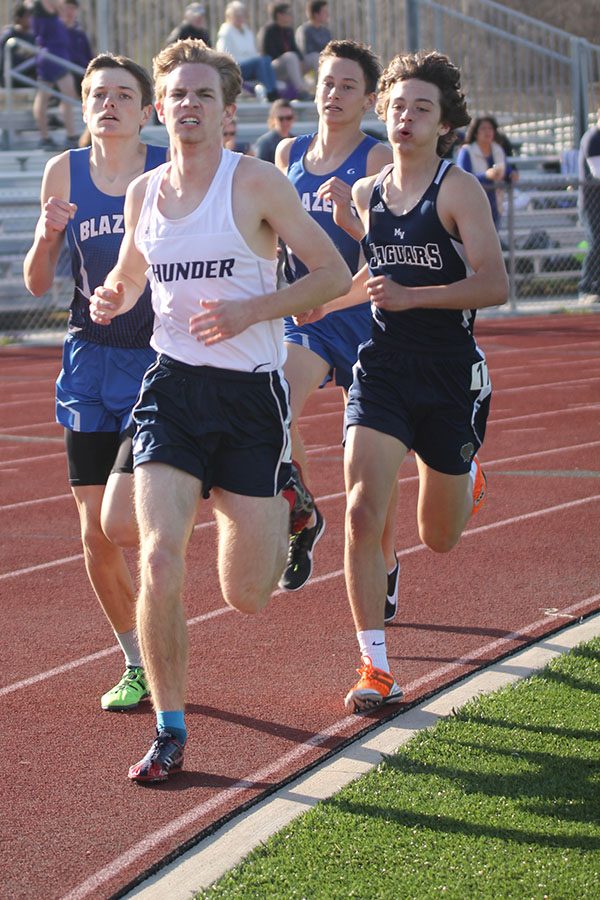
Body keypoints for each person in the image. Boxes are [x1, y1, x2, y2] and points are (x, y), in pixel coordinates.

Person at [88, 38, 351, 782]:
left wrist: (254, 310)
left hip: (249, 396)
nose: (190, 107)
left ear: (227, 111)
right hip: (172, 388)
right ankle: (171, 730)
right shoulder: (143, 193)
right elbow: (131, 276)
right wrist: (115, 296)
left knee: (247, 596)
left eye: (205, 96)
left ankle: (293, 502)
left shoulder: (257, 184)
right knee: (158, 554)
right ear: (160, 107)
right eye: (178, 95)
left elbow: (331, 275)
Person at [306, 50, 508, 713]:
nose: (406, 118)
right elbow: (377, 278)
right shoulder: (368, 195)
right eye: (396, 106)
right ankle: (375, 665)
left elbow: (494, 284)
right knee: (363, 507)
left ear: (444, 122)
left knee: (441, 537)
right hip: (383, 368)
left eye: (422, 108)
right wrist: (331, 304)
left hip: (448, 373)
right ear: (382, 111)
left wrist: (416, 298)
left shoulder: (458, 189)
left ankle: (464, 473)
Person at [23, 53, 168, 713]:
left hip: (158, 359)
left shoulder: (167, 167)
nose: (108, 104)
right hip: (87, 360)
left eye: (121, 94)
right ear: (83, 107)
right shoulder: (65, 171)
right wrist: (48, 237)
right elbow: (35, 280)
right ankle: (137, 659)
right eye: (96, 95)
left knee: (136, 522)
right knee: (94, 534)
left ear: (146, 109)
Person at [275, 40, 397, 603]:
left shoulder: (375, 161)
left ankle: (386, 561)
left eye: (348, 86)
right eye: (327, 83)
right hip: (311, 317)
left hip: (366, 317)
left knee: (368, 483)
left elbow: (389, 253)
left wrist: (352, 217)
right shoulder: (287, 154)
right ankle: (302, 512)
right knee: (273, 401)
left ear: (369, 99)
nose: (334, 94)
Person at [31, 0, 79, 149]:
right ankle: (51, 136)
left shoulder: (55, 15)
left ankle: (66, 135)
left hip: (58, 57)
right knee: (60, 95)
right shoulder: (43, 9)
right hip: (52, 59)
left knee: (65, 96)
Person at [455, 114, 518, 229]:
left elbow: (506, 170)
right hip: (472, 206)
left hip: (495, 204)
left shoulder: (498, 150)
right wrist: (486, 176)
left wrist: (511, 175)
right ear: (475, 132)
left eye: (490, 129)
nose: (487, 132)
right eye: (483, 128)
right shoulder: (467, 151)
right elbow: (462, 179)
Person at [216, 1, 279, 102]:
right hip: (235, 67)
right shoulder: (226, 31)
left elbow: (253, 53)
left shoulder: (247, 32)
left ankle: (273, 91)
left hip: (250, 65)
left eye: (242, 14)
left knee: (266, 59)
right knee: (259, 62)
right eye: (237, 15)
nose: (240, 17)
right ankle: (269, 92)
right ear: (230, 16)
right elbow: (224, 55)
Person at [257, 2, 312, 101]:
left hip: (291, 64)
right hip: (273, 68)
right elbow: (268, 54)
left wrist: (301, 60)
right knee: (290, 57)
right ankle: (301, 91)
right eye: (288, 13)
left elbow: (295, 49)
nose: (291, 16)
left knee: (314, 57)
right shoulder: (268, 30)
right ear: (279, 15)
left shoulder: (288, 30)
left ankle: (317, 91)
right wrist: (292, 59)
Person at [578, 105, 600, 304]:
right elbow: (597, 172)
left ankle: (597, 287)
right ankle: (585, 287)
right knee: (595, 242)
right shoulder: (593, 138)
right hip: (592, 204)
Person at [59, 0, 93, 97]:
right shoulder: (56, 32)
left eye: (72, 8)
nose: (69, 12)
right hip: (66, 72)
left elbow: (89, 55)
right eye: (66, 8)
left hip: (83, 71)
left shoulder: (80, 33)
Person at [0, 2, 36, 88]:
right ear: (19, 18)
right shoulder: (9, 35)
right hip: (11, 77)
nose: (31, 19)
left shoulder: (32, 36)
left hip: (28, 76)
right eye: (28, 16)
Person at [295, 1, 331, 75]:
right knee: (315, 57)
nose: (327, 14)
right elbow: (306, 52)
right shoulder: (304, 30)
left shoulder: (326, 31)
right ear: (316, 14)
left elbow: (330, 49)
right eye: (324, 11)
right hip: (305, 63)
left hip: (323, 60)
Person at [254, 97, 295, 163]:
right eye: (281, 118)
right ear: (273, 119)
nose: (285, 122)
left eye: (289, 118)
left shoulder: (295, 140)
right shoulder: (265, 142)